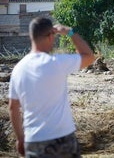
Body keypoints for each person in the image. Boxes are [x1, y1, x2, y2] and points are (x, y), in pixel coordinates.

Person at [8, 17, 95, 157]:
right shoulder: (57, 63)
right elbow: (89, 56)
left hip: (34, 141)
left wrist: (20, 139)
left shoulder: (18, 70)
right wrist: (69, 32)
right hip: (63, 138)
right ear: (50, 36)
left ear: (31, 36)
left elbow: (13, 107)